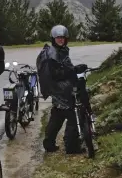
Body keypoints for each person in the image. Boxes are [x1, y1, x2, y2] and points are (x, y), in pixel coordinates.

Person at [36, 25, 89, 154]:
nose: (61, 40)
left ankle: (49, 144)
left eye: (63, 38)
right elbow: (58, 73)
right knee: (73, 115)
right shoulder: (53, 53)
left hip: (57, 89)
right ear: (53, 39)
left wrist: (72, 69)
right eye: (58, 38)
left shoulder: (58, 51)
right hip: (61, 89)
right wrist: (74, 70)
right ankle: (71, 147)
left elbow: (63, 69)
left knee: (58, 114)